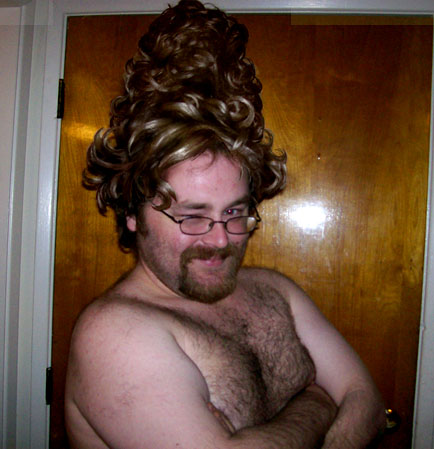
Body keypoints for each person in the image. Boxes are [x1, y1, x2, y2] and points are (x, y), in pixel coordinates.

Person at [65, 1, 386, 448]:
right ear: (133, 213)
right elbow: (341, 399)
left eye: (234, 212)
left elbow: (366, 400)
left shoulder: (276, 292)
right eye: (193, 215)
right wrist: (316, 402)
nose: (221, 239)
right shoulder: (112, 334)